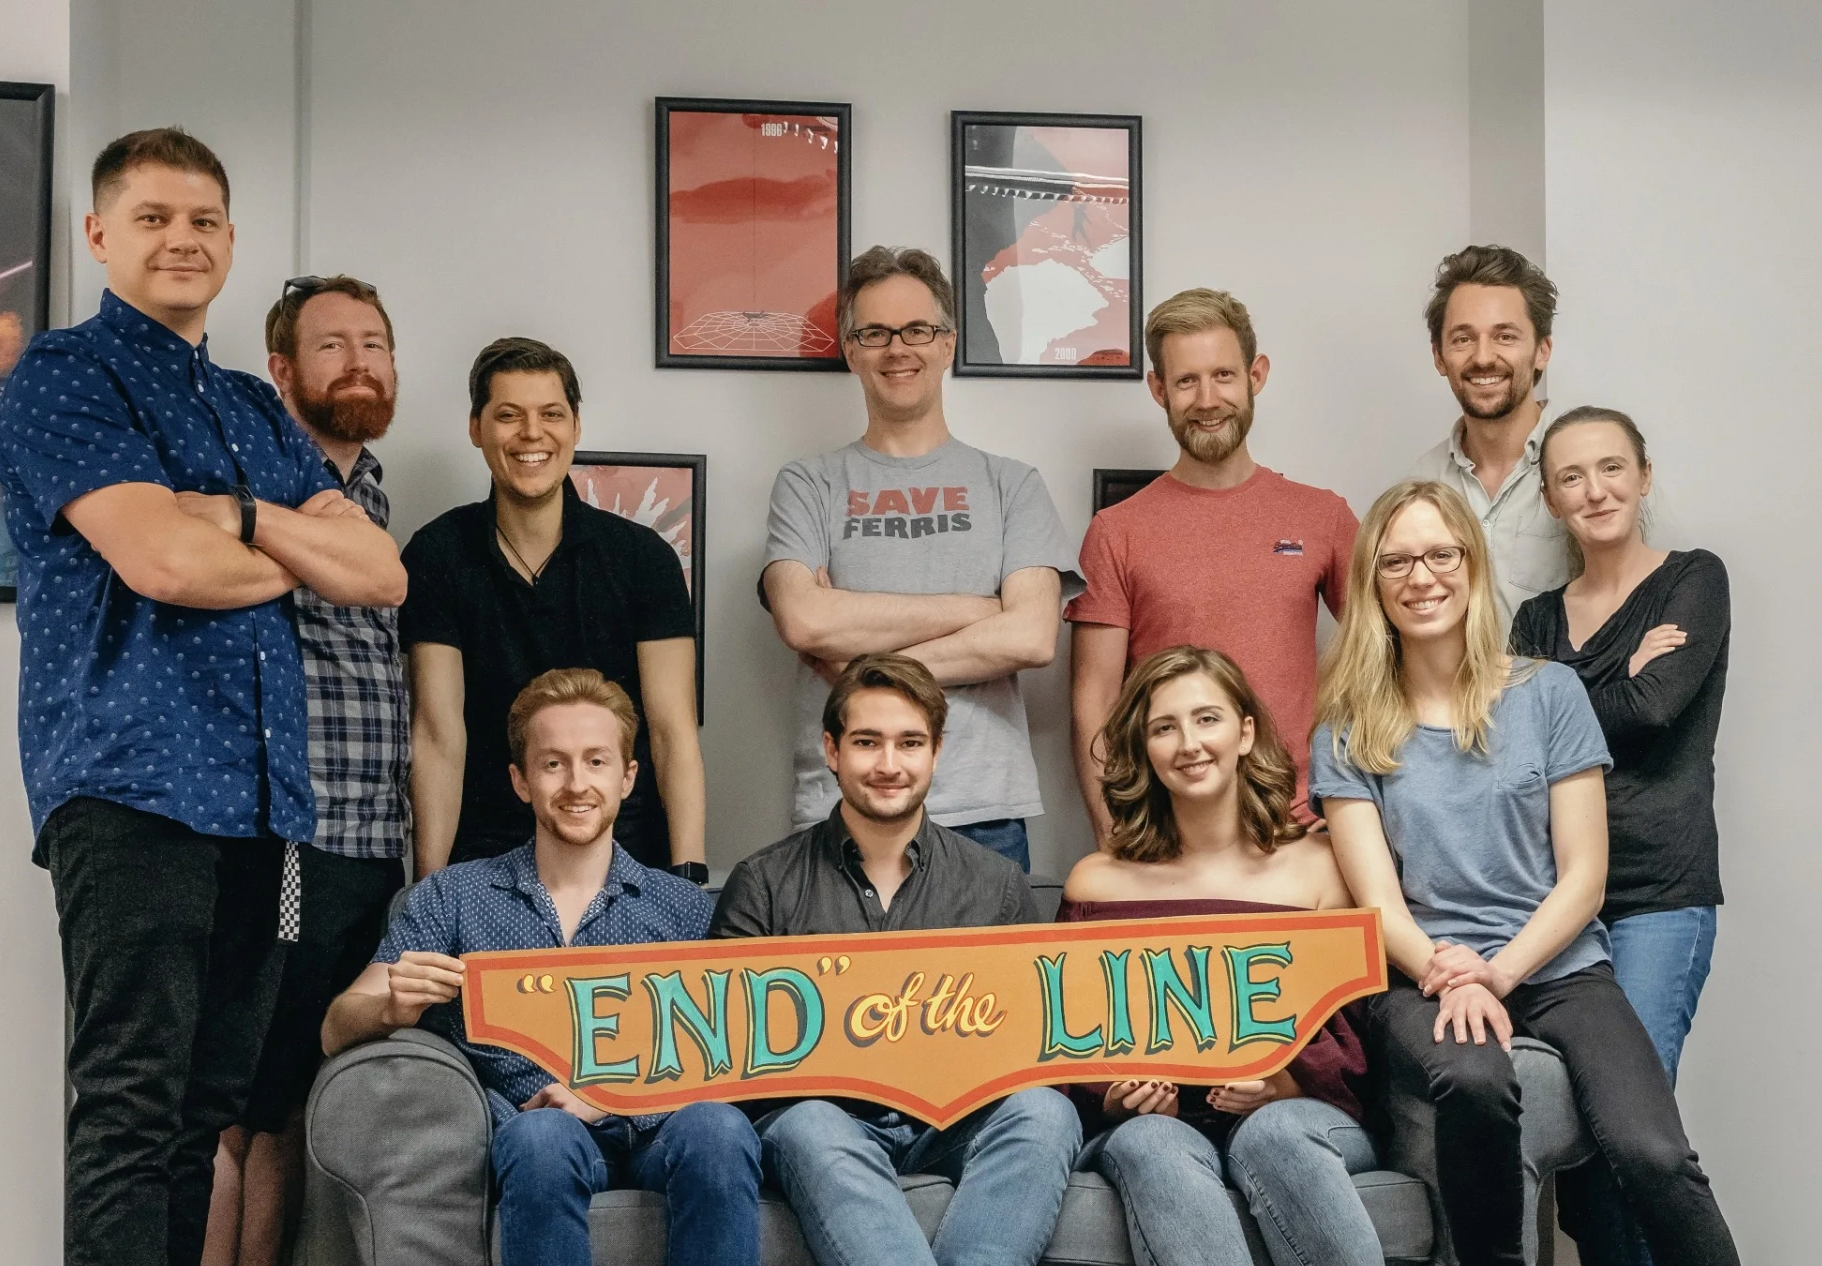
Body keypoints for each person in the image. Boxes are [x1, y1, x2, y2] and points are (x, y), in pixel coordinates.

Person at [0, 127, 406, 1266]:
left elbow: (376, 569)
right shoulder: (62, 378)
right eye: (154, 215)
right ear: (101, 237)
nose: (185, 236)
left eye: (208, 217)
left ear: (231, 243)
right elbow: (163, 565)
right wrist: (263, 531)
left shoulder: (247, 400)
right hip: (128, 790)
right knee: (128, 1109)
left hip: (260, 805)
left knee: (198, 1118)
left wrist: (235, 519)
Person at [1311, 478, 1790, 1266]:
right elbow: (1373, 896)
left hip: (1558, 965)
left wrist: (1501, 971)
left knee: (1654, 1153)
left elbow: (1582, 876)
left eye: (1442, 556)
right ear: (1372, 585)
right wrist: (1446, 968)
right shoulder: (1350, 722)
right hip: (1421, 975)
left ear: (1474, 570)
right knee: (1476, 1085)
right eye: (1398, 562)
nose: (1422, 577)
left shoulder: (1547, 694)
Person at [322, 669, 761, 1266]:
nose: (576, 783)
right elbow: (337, 1026)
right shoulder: (451, 900)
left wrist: (626, 1092)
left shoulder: (686, 912)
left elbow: (734, 1061)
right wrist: (390, 1001)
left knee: (721, 1128)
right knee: (540, 1134)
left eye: (597, 761)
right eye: (553, 764)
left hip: (660, 1124)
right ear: (521, 780)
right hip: (539, 1133)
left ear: (630, 776)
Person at [711, 653, 1106, 1266]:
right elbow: (729, 1056)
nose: (888, 763)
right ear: (831, 750)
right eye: (867, 742)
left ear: (937, 753)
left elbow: (1031, 1038)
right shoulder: (765, 884)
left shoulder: (995, 885)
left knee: (1046, 1109)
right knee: (804, 1124)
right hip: (832, 1124)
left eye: (909, 743)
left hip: (957, 1119)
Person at [174, 274, 411, 1266]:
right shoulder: (252, 479)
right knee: (241, 1099)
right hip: (285, 838)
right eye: (333, 344)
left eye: (375, 342)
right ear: (282, 368)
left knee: (294, 1094)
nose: (359, 361)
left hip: (371, 842)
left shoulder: (366, 493)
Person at [1060, 647, 1398, 1266]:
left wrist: (1282, 1081)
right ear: (1143, 748)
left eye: (1207, 719)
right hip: (1163, 1128)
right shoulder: (1097, 881)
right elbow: (1069, 1042)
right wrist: (1117, 1098)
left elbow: (1361, 1031)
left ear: (1244, 733)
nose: (1189, 745)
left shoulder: (1318, 864)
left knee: (1272, 1136)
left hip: (1302, 1116)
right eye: (1164, 728)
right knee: (1147, 1140)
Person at [1514, 408, 1730, 1266]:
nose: (1593, 489)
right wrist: (1608, 680)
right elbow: (1516, 732)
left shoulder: (1695, 579)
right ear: (1548, 496)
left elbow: (1648, 714)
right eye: (1570, 475)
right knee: (1582, 1134)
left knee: (1639, 1131)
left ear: (1643, 475)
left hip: (1657, 891)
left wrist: (1578, 688)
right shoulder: (1532, 613)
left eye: (1611, 469)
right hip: (1556, 896)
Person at [761, 246, 1079, 871]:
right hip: (839, 804)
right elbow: (804, 622)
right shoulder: (808, 484)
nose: (896, 349)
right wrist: (978, 610)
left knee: (986, 976)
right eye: (874, 333)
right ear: (850, 350)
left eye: (917, 330)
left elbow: (1032, 636)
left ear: (948, 344)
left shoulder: (1012, 484)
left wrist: (864, 671)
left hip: (980, 813)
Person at [402, 336, 706, 880]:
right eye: (509, 415)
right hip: (484, 860)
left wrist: (688, 874)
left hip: (627, 856)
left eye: (551, 414)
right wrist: (430, 888)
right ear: (476, 428)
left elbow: (672, 730)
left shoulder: (644, 559)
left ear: (576, 427)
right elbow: (437, 733)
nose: (531, 434)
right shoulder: (437, 553)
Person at [1068, 288, 1357, 836]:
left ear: (1257, 375)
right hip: (1170, 831)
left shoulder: (1324, 516)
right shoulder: (1116, 532)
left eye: (1223, 375)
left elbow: (1389, 654)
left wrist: (1353, 807)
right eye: (1185, 381)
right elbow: (1095, 704)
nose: (1207, 399)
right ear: (1158, 389)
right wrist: (1114, 836)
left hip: (1298, 829)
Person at [1408, 245, 1567, 631]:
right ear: (1439, 356)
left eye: (1505, 336)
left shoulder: (1584, 469)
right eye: (1463, 339)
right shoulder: (1421, 483)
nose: (1482, 357)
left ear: (1542, 350)